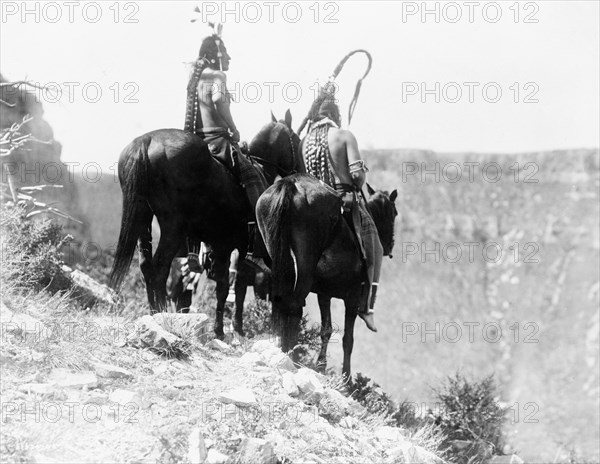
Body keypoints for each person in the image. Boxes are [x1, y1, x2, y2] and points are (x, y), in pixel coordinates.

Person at [183, 28, 270, 274]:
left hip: (199, 144)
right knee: (253, 177)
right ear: (217, 54)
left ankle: (192, 250)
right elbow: (221, 104)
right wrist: (234, 129)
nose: (229, 58)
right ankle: (257, 249)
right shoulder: (217, 76)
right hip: (220, 144)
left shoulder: (194, 78)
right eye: (226, 54)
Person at [299, 83, 383, 332]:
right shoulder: (344, 135)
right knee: (375, 246)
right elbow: (357, 176)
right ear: (335, 115)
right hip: (344, 202)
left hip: (312, 207)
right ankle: (367, 306)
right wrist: (359, 176)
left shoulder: (305, 141)